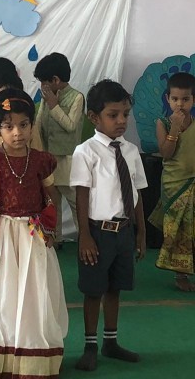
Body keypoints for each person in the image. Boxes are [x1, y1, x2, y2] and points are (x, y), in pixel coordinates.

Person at [0, 88, 67, 378]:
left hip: (34, 235)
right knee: (2, 294)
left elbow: (51, 196)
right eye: (8, 127)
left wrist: (50, 228)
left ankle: (35, 357)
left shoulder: (42, 160)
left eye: (23, 125)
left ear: (32, 125)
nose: (17, 133)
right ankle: (3, 357)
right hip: (1, 237)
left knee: (37, 292)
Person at [70, 79, 147, 372]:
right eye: (113, 115)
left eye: (125, 114)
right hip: (97, 233)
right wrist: (84, 236)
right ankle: (90, 346)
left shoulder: (131, 151)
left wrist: (141, 232)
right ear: (94, 117)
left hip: (124, 231)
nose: (121, 121)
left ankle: (111, 342)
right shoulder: (86, 151)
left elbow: (137, 194)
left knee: (116, 288)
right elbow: (81, 196)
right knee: (94, 290)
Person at [149, 72, 195, 292]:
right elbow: (166, 153)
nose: (180, 104)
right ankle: (181, 276)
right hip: (174, 188)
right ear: (167, 99)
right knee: (178, 233)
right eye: (175, 99)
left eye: (185, 99)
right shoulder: (162, 123)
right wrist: (175, 129)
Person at [34, 52, 85, 245]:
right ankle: (55, 239)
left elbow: (71, 125)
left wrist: (54, 106)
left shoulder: (77, 97)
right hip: (49, 159)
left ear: (55, 80)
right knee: (52, 200)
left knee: (75, 202)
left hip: (68, 159)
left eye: (43, 82)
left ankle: (85, 237)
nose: (42, 86)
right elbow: (39, 123)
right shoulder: (46, 98)